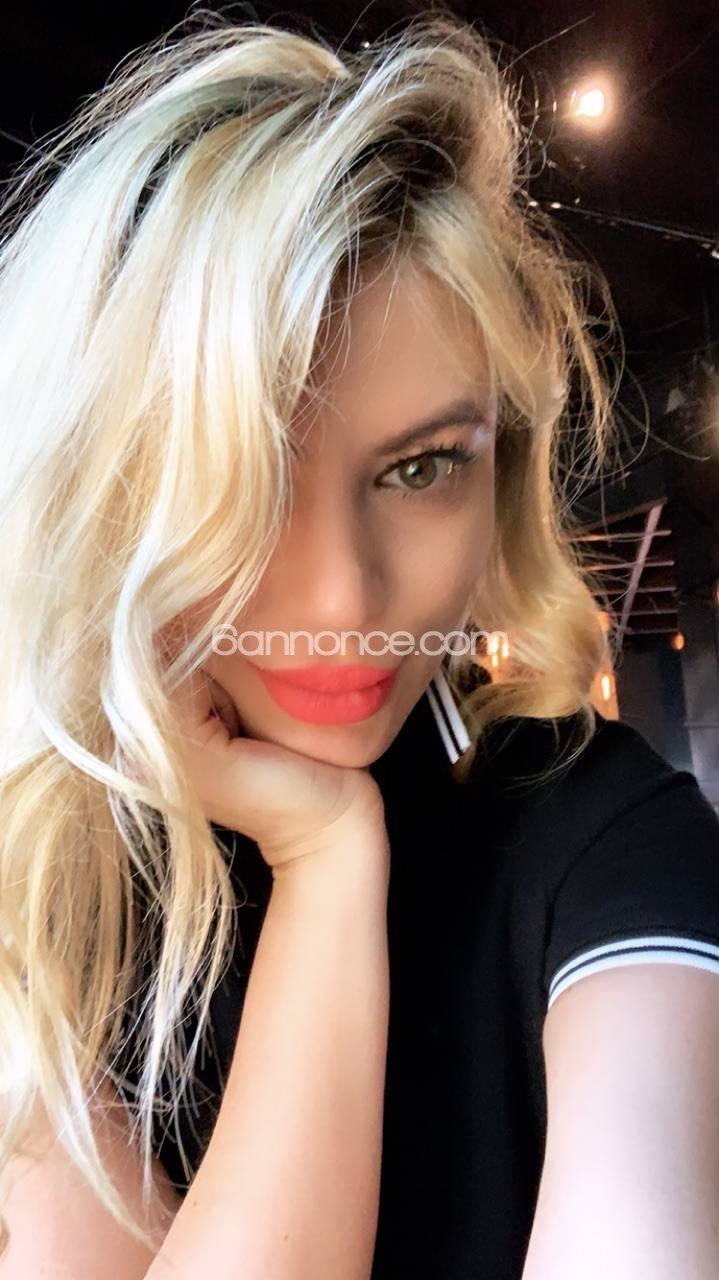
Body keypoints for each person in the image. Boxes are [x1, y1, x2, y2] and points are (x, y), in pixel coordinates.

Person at [1, 12, 719, 1279]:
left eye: (421, 467)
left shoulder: (606, 838)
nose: (342, 601)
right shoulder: (40, 881)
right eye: (239, 477)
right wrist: (323, 861)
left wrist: (326, 852)